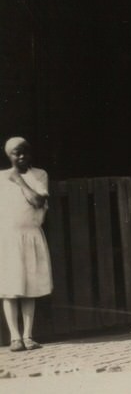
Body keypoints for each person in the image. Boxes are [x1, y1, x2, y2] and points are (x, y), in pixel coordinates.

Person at [0, 137, 50, 351]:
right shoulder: (1, 178)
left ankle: (28, 335)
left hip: (30, 235)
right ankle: (15, 337)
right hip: (8, 238)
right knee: (10, 288)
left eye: (25, 152)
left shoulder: (39, 175)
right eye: (16, 153)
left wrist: (19, 181)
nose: (21, 157)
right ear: (8, 155)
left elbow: (38, 201)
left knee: (29, 286)